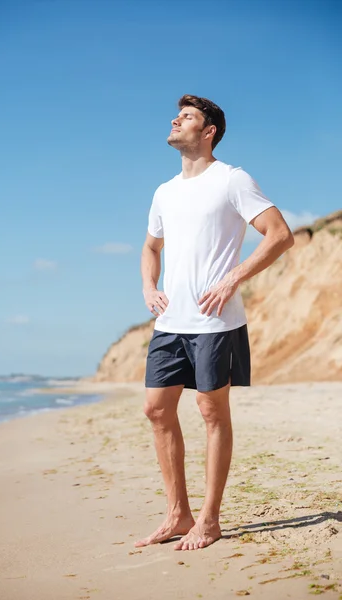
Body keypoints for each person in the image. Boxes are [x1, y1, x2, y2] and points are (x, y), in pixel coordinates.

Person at [136, 94, 294, 552]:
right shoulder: (164, 191)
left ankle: (209, 518)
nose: (175, 120)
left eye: (186, 117)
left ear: (208, 133)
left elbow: (280, 234)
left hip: (215, 321)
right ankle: (177, 513)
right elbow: (151, 247)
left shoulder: (232, 179)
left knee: (211, 413)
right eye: (177, 115)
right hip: (170, 321)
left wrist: (233, 277)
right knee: (156, 410)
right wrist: (149, 288)